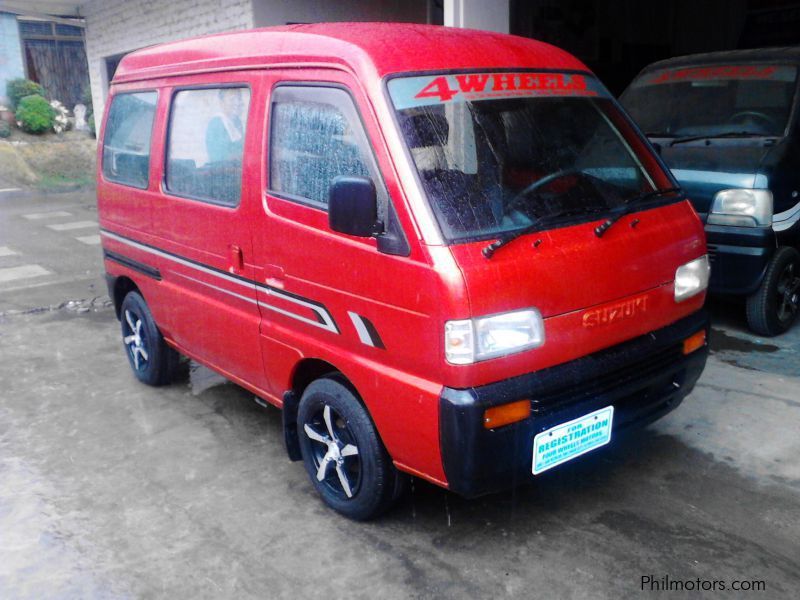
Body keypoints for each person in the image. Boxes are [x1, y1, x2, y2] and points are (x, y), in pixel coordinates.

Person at [205, 89, 245, 163]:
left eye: (239, 98)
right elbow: (219, 157)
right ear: (222, 102)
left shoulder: (237, 122)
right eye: (232, 99)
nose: (237, 103)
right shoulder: (216, 124)